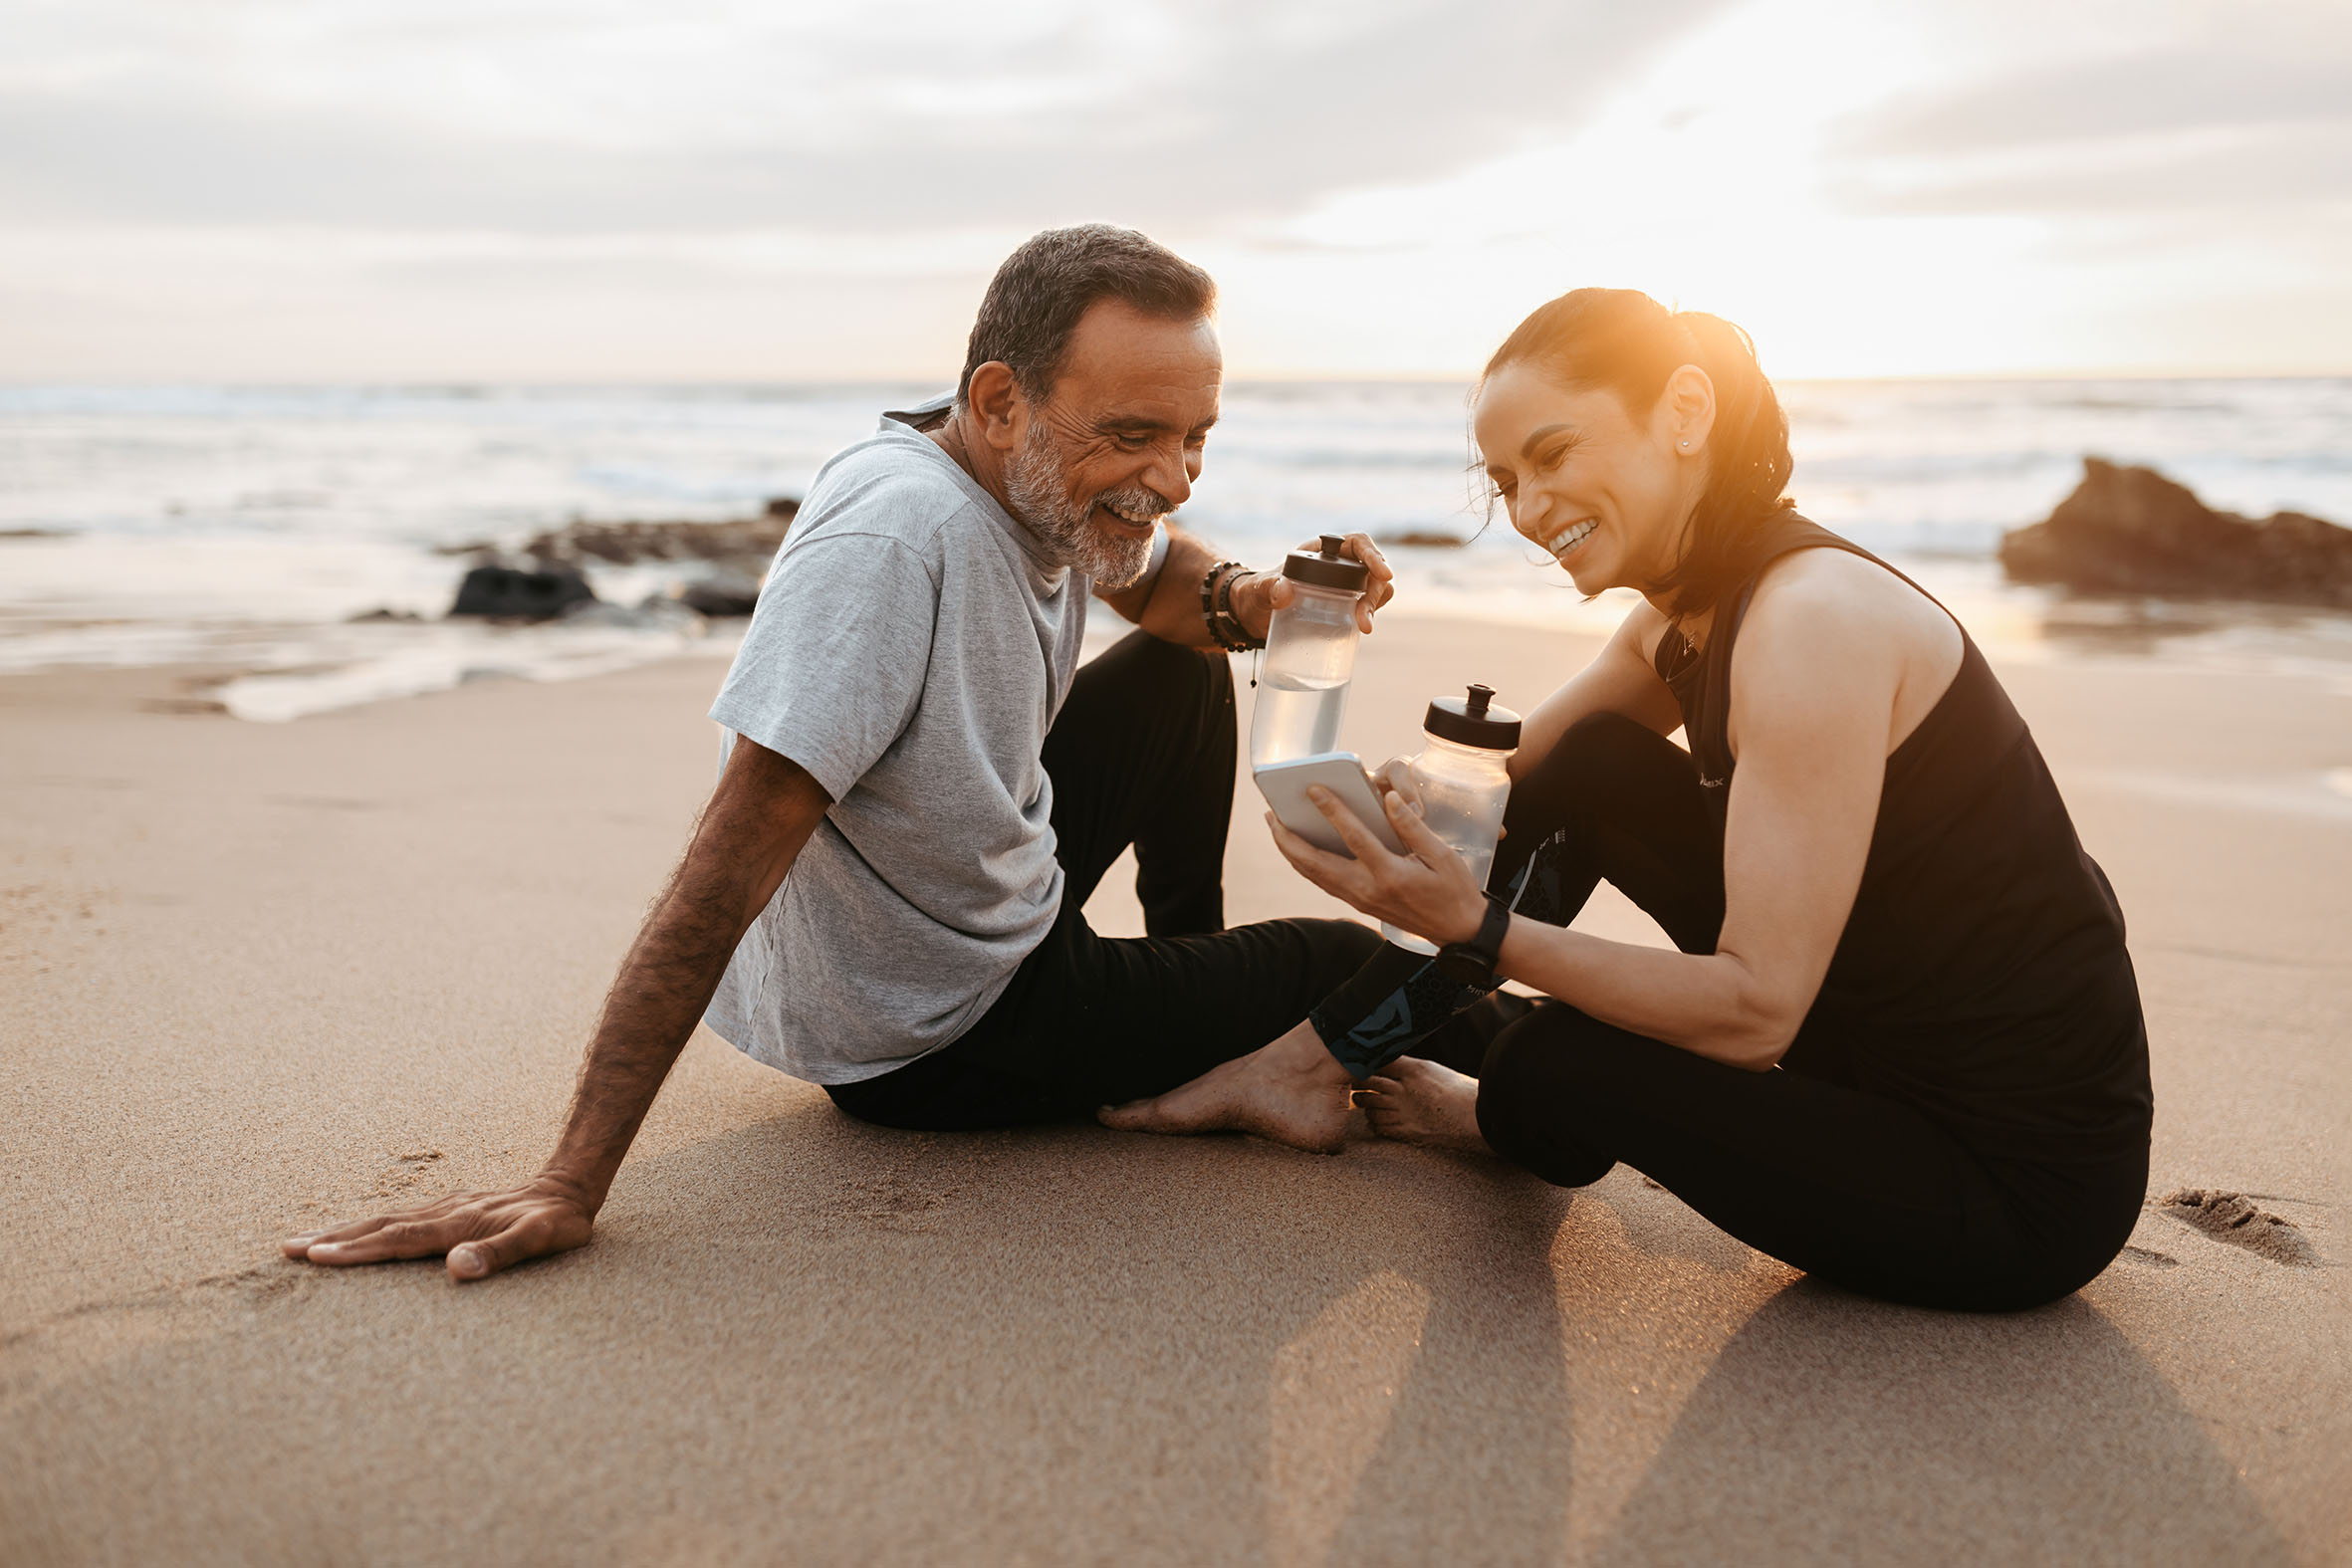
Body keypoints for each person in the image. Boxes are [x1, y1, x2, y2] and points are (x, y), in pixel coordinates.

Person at [281, 224, 1392, 1282]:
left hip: (973, 909)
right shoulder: (895, 545)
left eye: (1195, 437)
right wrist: (572, 1174)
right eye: (1135, 436)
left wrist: (1254, 597)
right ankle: (1322, 1033)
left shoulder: (1014, 474)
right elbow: (727, 863)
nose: (1176, 476)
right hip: (941, 1028)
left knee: (1181, 672)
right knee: (1338, 966)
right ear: (1003, 401)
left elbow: (1150, 576)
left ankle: (1188, 1023)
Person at [1102, 288, 2153, 1313]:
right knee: (1599, 762)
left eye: (1555, 456)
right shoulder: (1684, 617)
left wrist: (1475, 925)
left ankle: (1484, 1106)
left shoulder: (1810, 622)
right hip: (1866, 1045)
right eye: (1505, 480)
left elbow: (1752, 1014)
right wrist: (1395, 810)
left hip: (2006, 1183)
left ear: (1685, 414)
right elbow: (1521, 790)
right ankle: (1313, 1066)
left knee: (1556, 1060)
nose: (1527, 510)